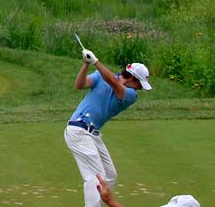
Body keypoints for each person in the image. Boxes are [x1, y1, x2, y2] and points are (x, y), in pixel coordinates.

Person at [65, 48, 152, 207]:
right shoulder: (101, 77)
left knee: (110, 175)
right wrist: (86, 64)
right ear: (132, 78)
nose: (139, 88)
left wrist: (95, 61)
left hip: (93, 134)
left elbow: (113, 82)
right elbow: (80, 84)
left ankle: (97, 203)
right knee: (96, 177)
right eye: (139, 84)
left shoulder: (131, 95)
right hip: (78, 130)